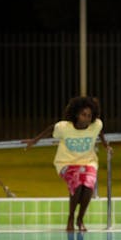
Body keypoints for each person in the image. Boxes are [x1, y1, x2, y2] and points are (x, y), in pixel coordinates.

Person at [23, 96, 112, 232]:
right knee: (77, 182)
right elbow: (51, 129)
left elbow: (99, 131)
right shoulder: (64, 127)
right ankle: (70, 218)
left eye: (89, 116)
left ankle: (80, 219)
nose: (87, 119)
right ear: (76, 114)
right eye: (83, 115)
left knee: (88, 184)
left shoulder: (96, 125)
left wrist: (105, 144)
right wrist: (34, 141)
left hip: (88, 162)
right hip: (66, 163)